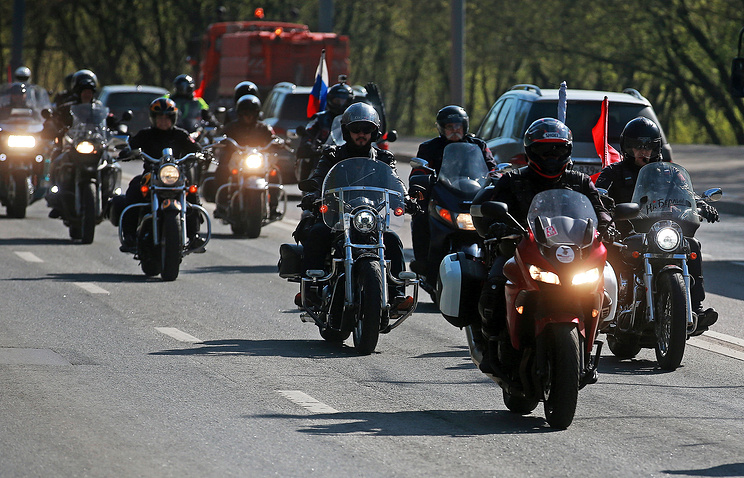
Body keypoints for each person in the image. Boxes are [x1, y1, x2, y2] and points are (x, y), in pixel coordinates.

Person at [474, 117, 612, 374]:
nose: (551, 155)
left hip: (571, 255)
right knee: (494, 286)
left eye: (558, 149)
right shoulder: (513, 180)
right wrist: (499, 225)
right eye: (544, 149)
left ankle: (588, 344)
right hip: (519, 250)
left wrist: (606, 224)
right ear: (530, 151)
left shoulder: (580, 182)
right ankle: (491, 348)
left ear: (568, 151)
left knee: (603, 289)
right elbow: (494, 210)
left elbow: (599, 209)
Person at [596, 116, 718, 332]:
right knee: (607, 251)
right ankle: (611, 306)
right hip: (626, 232)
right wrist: (603, 207)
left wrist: (700, 204)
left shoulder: (669, 173)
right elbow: (597, 196)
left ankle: (696, 307)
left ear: (656, 148)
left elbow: (687, 193)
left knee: (693, 246)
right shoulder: (613, 172)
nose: (643, 152)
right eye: (636, 146)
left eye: (648, 147)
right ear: (627, 147)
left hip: (663, 232)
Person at [295, 102, 412, 312]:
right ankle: (311, 289)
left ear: (374, 132)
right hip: (337, 215)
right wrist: (313, 193)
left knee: (392, 240)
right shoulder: (332, 155)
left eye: (367, 130)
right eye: (356, 129)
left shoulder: (384, 158)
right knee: (318, 232)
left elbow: (395, 182)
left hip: (370, 216)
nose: (361, 134)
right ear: (347, 131)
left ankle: (397, 294)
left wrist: (406, 198)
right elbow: (319, 177)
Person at [408, 105, 496, 288]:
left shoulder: (478, 146)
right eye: (450, 127)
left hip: (473, 195)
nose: (455, 130)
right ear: (442, 128)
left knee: (497, 220)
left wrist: (497, 177)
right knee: (419, 216)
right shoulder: (429, 148)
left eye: (458, 126)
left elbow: (492, 167)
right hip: (442, 195)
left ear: (465, 126)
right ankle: (423, 262)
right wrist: (420, 181)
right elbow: (418, 170)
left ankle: (497, 268)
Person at [116, 97, 205, 252]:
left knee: (191, 191)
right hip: (151, 174)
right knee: (135, 187)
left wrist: (202, 153)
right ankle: (129, 235)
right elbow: (132, 145)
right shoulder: (146, 134)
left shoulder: (180, 135)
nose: (163, 121)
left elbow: (195, 146)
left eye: (167, 117)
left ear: (173, 118)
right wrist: (127, 151)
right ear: (153, 118)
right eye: (160, 117)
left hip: (175, 175)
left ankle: (194, 234)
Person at [213, 94, 280, 218]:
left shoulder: (263, 127)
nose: (248, 116)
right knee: (222, 170)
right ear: (239, 114)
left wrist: (279, 142)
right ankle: (221, 204)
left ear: (256, 114)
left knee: (274, 171)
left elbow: (273, 138)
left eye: (251, 113)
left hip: (258, 158)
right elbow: (222, 136)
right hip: (238, 158)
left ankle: (273, 206)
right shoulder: (232, 127)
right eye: (245, 113)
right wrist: (220, 141)